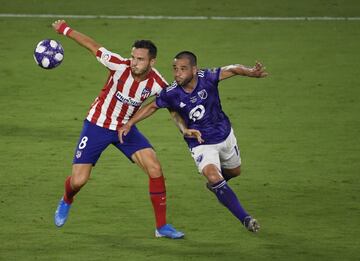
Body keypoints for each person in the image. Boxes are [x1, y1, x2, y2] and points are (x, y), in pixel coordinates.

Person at [51, 20, 187, 239]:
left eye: (140, 59)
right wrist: (65, 30)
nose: (134, 62)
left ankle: (161, 227)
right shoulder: (117, 64)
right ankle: (67, 198)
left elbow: (172, 108)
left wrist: (184, 129)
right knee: (78, 181)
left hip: (125, 128)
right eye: (133, 57)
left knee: (155, 168)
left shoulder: (158, 83)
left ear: (152, 61)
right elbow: (92, 46)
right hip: (97, 125)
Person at [118, 51, 268, 232]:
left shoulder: (207, 77)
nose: (177, 73)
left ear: (194, 70)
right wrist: (130, 123)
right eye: (175, 69)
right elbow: (152, 107)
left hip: (225, 134)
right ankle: (246, 218)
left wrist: (250, 71)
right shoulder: (171, 92)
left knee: (235, 172)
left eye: (183, 69)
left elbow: (231, 69)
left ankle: (217, 187)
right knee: (213, 176)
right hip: (200, 142)